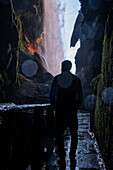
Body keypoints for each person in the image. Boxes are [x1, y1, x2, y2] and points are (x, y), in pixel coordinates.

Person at [49, 60, 83, 169]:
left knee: (59, 134)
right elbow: (80, 96)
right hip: (72, 110)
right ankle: (72, 154)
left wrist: (55, 107)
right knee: (74, 133)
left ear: (63, 67)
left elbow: (52, 95)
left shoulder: (56, 79)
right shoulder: (76, 80)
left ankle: (62, 155)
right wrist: (75, 107)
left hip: (60, 111)